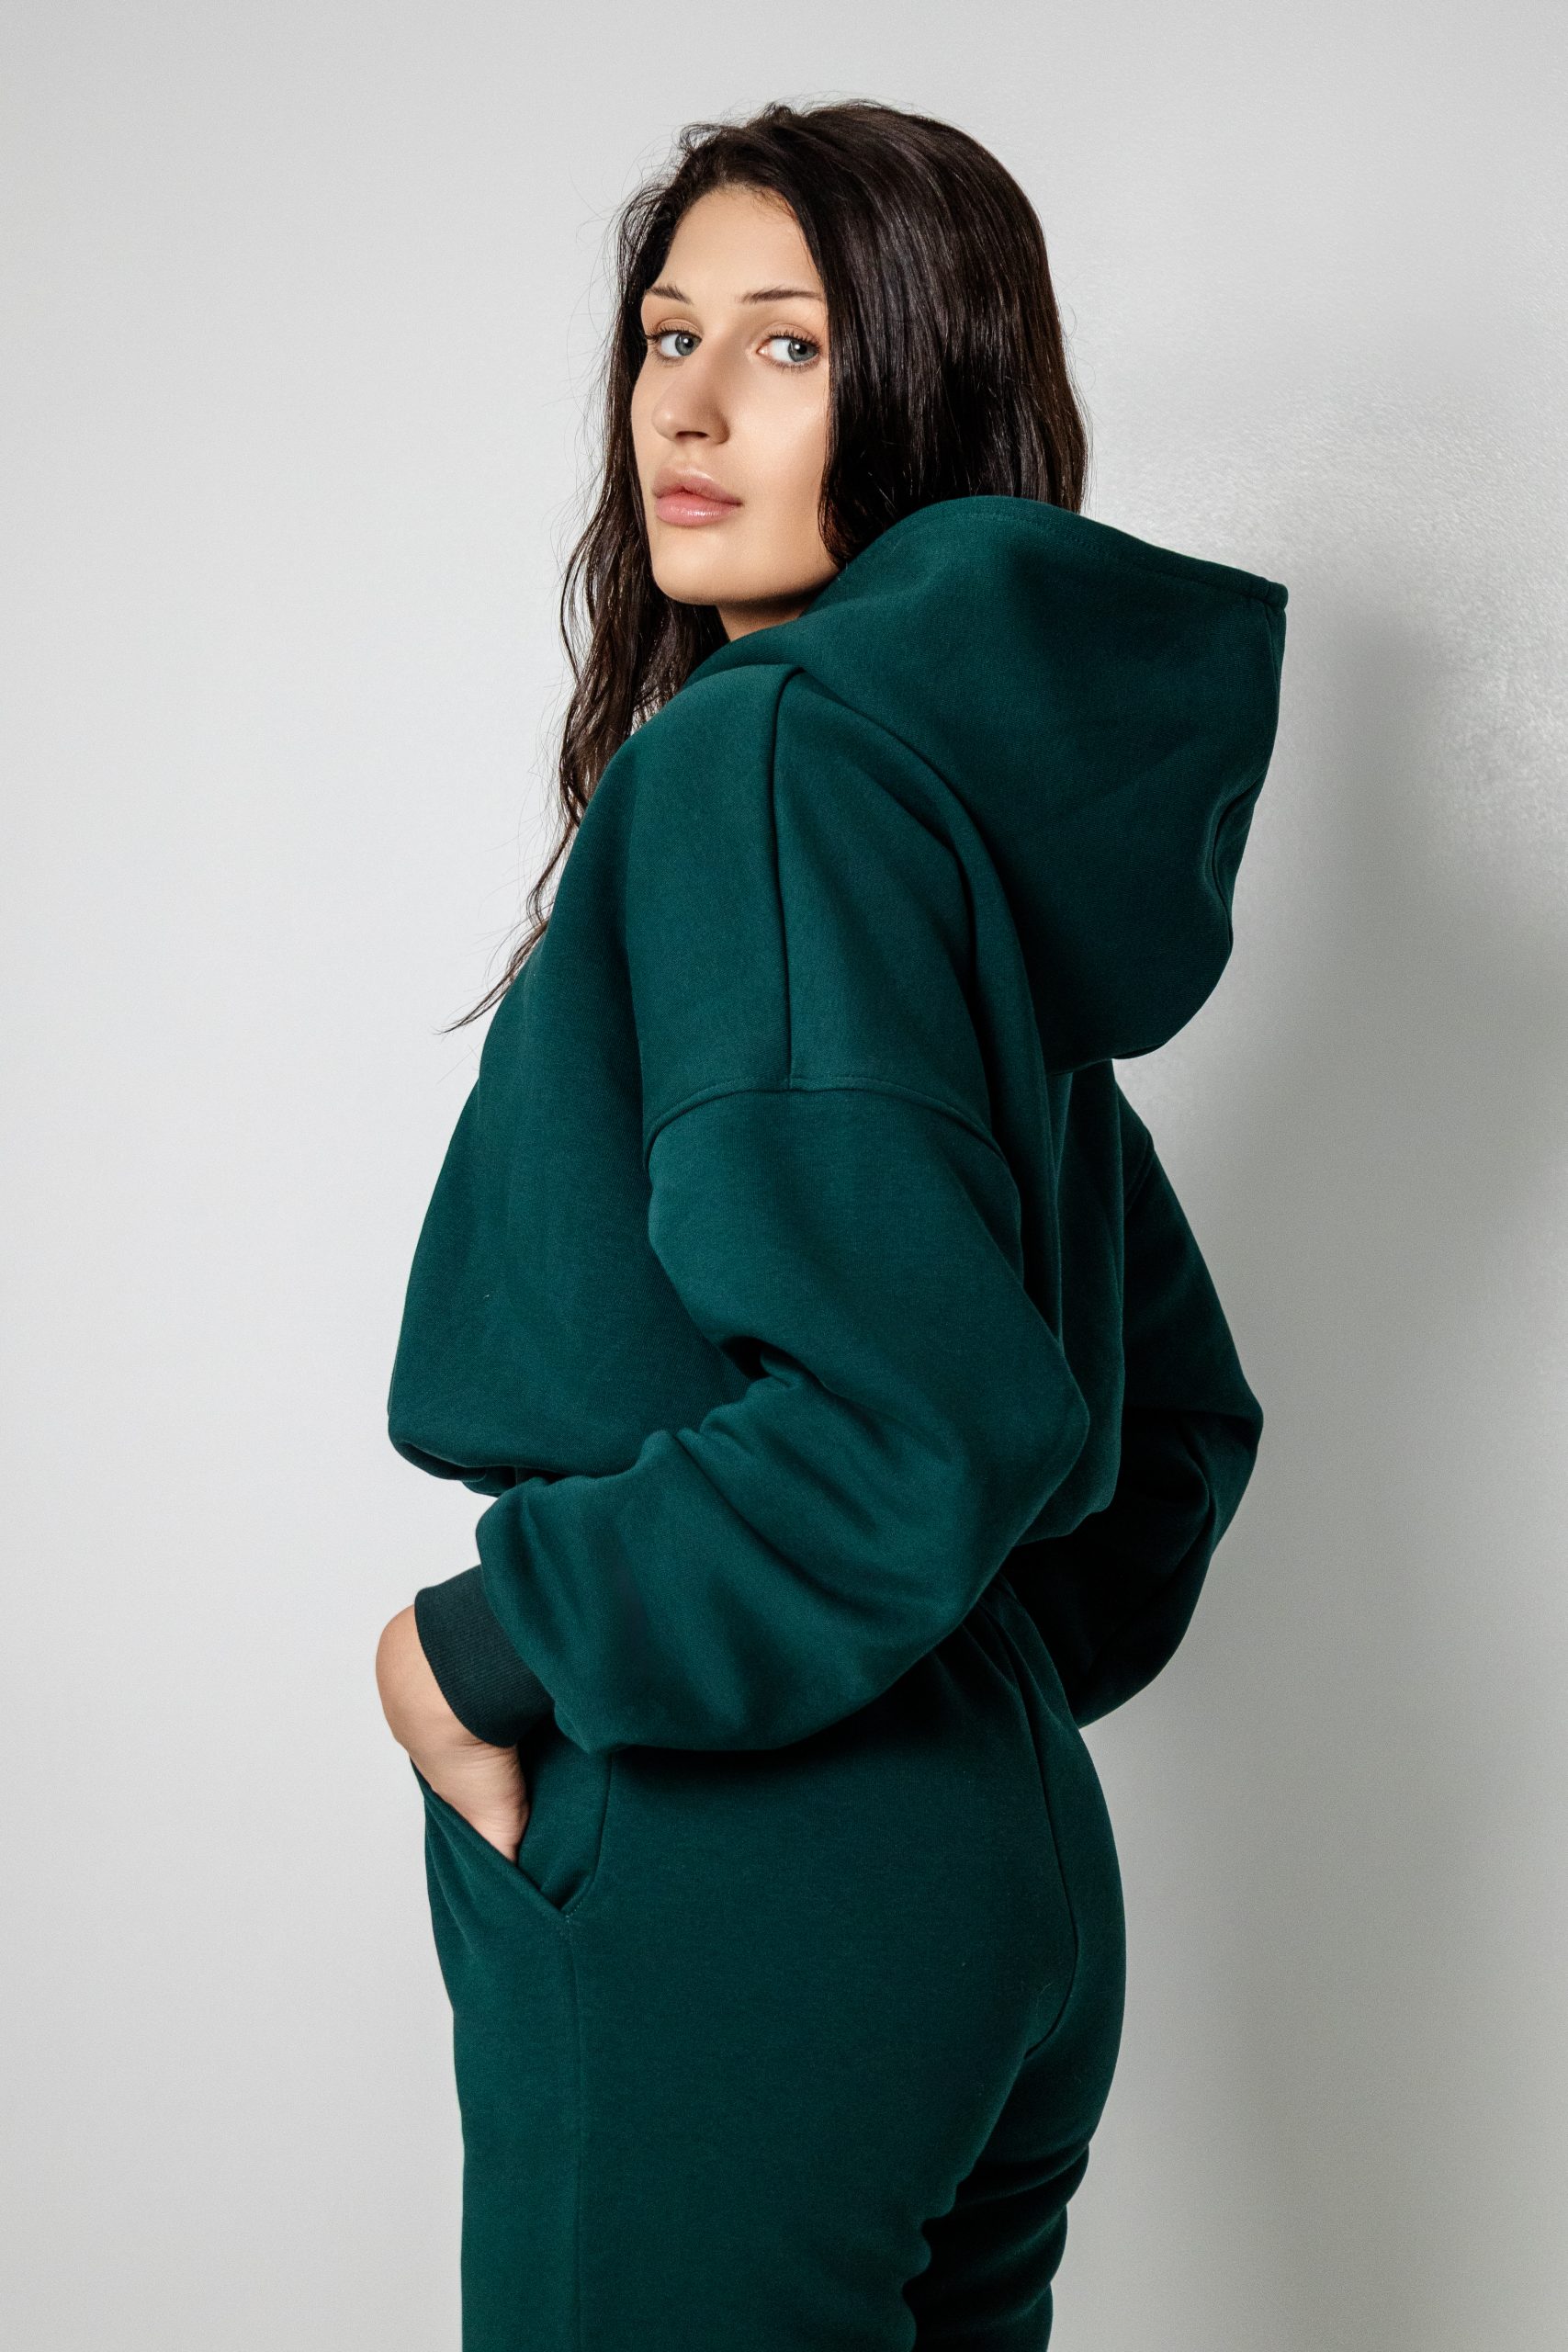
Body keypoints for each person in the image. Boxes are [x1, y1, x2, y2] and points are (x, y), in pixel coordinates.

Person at [375, 97, 1287, 2352]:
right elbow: (1163, 1416)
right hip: (994, 1864)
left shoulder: (762, 764)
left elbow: (918, 1416)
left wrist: (484, 1645)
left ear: (924, 387)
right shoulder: (961, 826)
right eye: (665, 336)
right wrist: (954, 1694)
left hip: (739, 1846)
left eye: (784, 346)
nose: (686, 407)